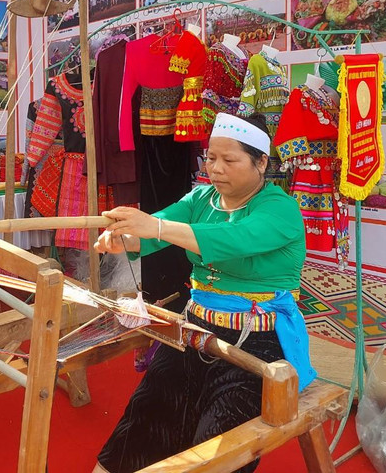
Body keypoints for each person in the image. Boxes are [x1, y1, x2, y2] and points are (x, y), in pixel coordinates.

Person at [91, 112, 315, 473]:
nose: (216, 168)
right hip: (196, 330)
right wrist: (124, 238)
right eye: (210, 158)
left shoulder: (281, 209)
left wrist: (155, 227)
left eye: (229, 160)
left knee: (219, 444)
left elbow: (232, 240)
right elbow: (154, 230)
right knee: (148, 413)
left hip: (259, 340)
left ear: (261, 163)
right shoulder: (201, 199)